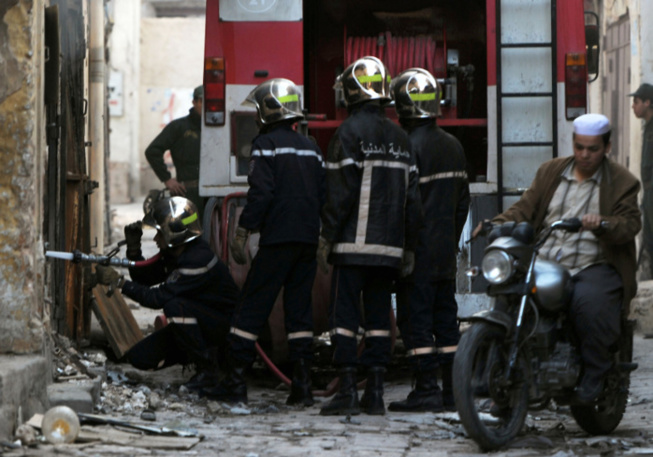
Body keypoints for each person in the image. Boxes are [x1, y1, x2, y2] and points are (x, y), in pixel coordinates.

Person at [473, 113, 641, 404]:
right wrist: (493, 223)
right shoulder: (551, 172)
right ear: (573, 144)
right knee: (509, 293)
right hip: (546, 261)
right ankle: (493, 369)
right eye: (579, 147)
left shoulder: (623, 182)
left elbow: (630, 224)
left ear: (607, 147)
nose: (585, 155)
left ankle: (594, 373)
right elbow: (524, 209)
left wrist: (602, 223)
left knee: (588, 303)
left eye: (593, 149)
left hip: (593, 265)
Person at [200, 78, 325, 406]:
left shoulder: (265, 144)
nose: (255, 116)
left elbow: (262, 193)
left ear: (270, 112)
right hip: (307, 241)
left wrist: (244, 231)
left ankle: (236, 382)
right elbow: (323, 193)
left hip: (277, 241)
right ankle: (303, 386)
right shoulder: (311, 147)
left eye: (258, 110)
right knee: (300, 312)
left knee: (252, 306)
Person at [317, 56, 422, 416]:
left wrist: (327, 237)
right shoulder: (401, 137)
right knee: (379, 320)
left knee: (345, 319)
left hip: (351, 248)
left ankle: (347, 389)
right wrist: (408, 247)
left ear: (351, 92)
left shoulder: (347, 133)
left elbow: (340, 193)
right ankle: (375, 392)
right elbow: (413, 198)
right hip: (388, 250)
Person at [387, 68, 470, 413]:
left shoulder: (406, 147)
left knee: (415, 320)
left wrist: (404, 247)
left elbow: (406, 204)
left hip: (417, 252)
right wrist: (449, 239)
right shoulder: (453, 145)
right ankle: (451, 392)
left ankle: (425, 389)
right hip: (443, 252)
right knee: (445, 320)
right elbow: (462, 202)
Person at [95, 197, 238, 392]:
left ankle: (208, 370)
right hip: (197, 323)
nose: (155, 240)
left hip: (223, 328)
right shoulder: (177, 254)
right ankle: (196, 354)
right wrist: (134, 249)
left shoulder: (197, 260)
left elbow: (155, 299)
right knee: (139, 357)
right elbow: (145, 279)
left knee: (173, 305)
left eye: (159, 234)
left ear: (175, 234)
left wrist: (119, 282)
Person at [145, 85, 205, 220]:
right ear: (194, 102)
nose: (206, 106)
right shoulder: (179, 127)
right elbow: (152, 151)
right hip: (188, 196)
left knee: (214, 232)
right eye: (202, 101)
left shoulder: (219, 128)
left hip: (213, 197)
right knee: (189, 227)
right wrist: (167, 179)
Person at [630, 83, 653, 278]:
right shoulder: (648, 127)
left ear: (648, 102)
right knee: (647, 237)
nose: (633, 106)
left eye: (636, 102)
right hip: (649, 193)